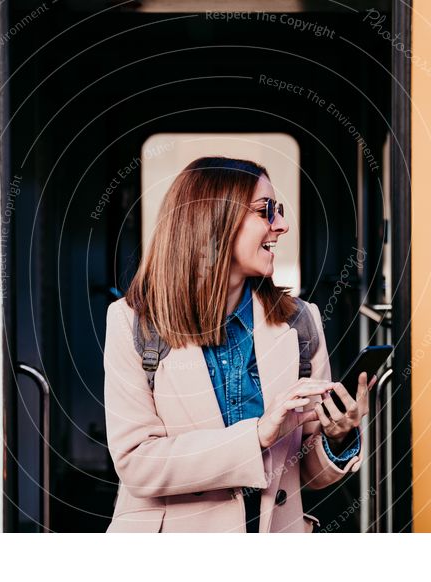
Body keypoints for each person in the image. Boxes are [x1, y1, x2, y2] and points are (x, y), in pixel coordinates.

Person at [103, 156, 374, 533]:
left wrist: (338, 433)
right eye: (266, 211)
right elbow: (137, 465)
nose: (281, 224)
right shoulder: (133, 321)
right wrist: (259, 435)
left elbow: (308, 475)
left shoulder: (301, 322)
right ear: (215, 218)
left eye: (278, 211)